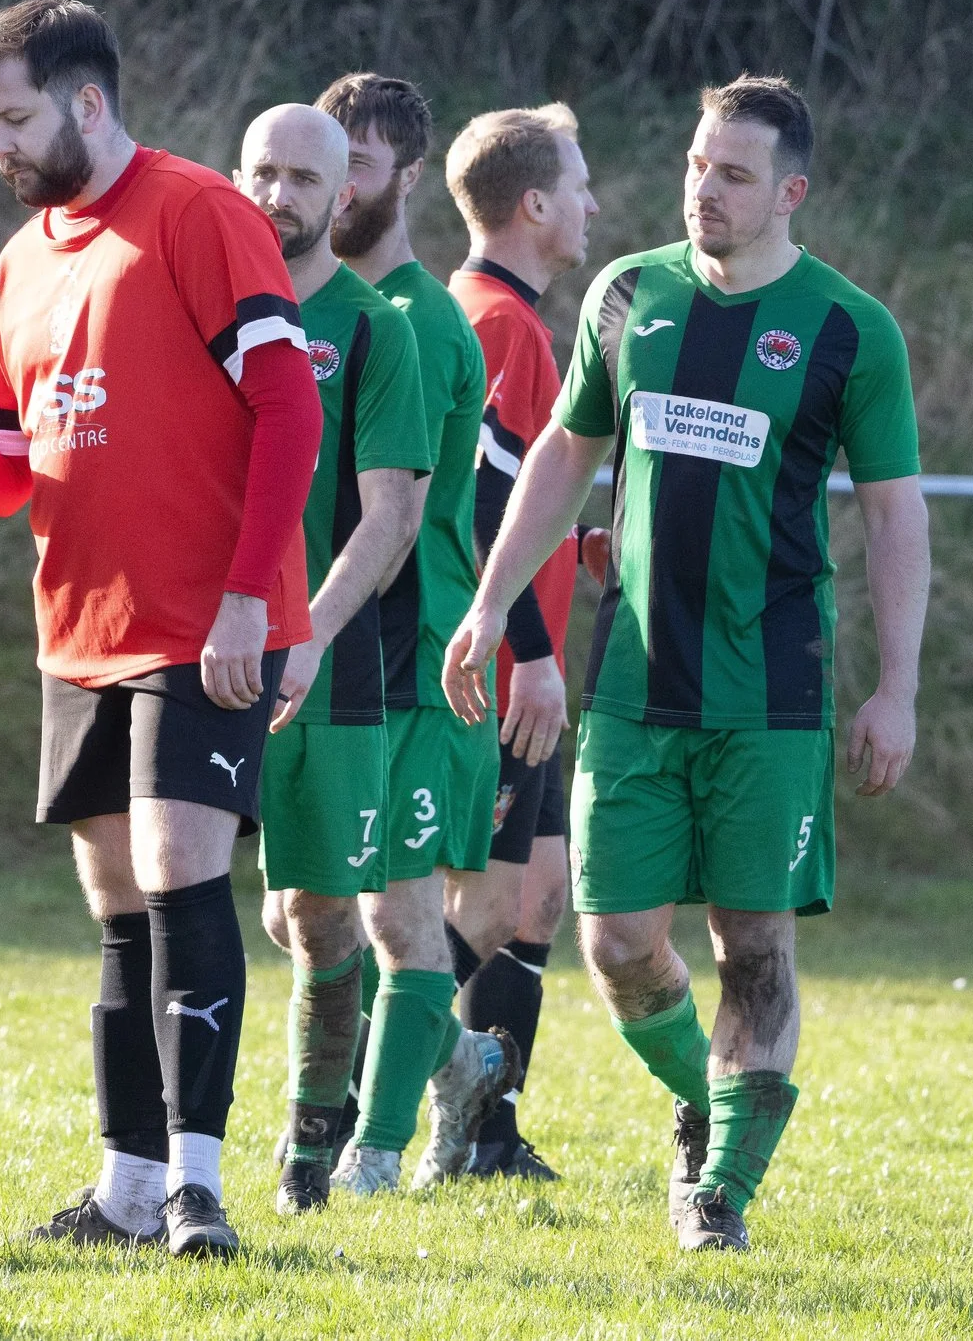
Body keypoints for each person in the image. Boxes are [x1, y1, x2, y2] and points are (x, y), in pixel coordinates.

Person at [0, 0, 322, 1258]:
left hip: (202, 621)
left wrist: (253, 595)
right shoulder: (23, 260)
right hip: (77, 628)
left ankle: (199, 1190)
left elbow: (288, 411)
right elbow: (0, 470)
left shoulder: (203, 213)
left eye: (17, 115)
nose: (1, 141)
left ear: (88, 102)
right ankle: (127, 1188)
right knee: (117, 902)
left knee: (179, 868)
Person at [446, 75, 930, 1252]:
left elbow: (893, 513)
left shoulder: (847, 329)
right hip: (633, 682)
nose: (703, 190)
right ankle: (698, 1099)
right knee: (614, 943)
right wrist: (492, 599)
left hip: (772, 695)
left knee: (753, 945)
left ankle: (718, 1194)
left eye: (733, 175)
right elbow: (566, 454)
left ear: (789, 193)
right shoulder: (627, 294)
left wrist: (896, 686)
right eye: (695, 166)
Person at [313, 73, 515, 1194]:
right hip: (322, 652)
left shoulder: (424, 325)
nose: (333, 185)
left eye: (355, 162)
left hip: (416, 660)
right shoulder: (300, 311)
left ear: (405, 177)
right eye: (313, 162)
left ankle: (371, 1155)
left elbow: (416, 513)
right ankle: (463, 1056)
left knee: (394, 914)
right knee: (305, 913)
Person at [230, 105, 432, 1216]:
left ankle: (311, 1144)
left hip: (324, 665)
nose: (279, 193)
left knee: (313, 911)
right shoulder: (200, 310)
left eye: (302, 176)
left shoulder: (372, 331)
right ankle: (160, 1152)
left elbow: (390, 516)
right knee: (171, 893)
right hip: (196, 648)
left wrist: (298, 626)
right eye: (261, 171)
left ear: (340, 194)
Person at [442, 103, 601, 1183]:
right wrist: (533, 646)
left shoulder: (523, 321)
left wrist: (577, 542)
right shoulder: (495, 323)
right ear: (534, 204)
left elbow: (522, 502)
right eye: (580, 185)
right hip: (504, 676)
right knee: (487, 905)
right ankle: (357, 1085)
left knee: (538, 898)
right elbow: (485, 506)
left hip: (525, 670)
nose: (594, 204)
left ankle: (489, 1137)